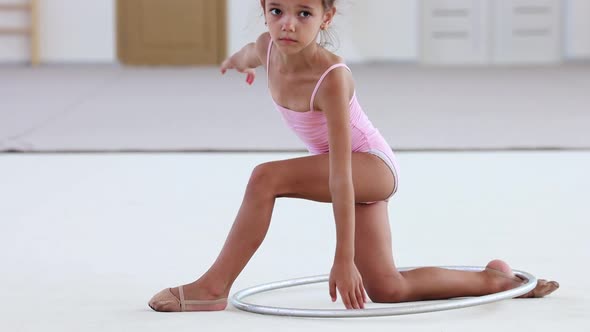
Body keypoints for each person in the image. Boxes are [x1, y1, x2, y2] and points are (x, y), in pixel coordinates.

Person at [148, 0, 559, 312]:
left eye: (304, 13)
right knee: (387, 288)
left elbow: (341, 174)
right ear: (264, 11)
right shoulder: (267, 48)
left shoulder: (331, 77)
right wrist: (235, 63)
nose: (288, 23)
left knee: (264, 177)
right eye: (277, 10)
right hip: (344, 171)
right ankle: (498, 281)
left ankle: (213, 287)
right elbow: (249, 53)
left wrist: (343, 259)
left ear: (326, 18)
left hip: (369, 167)